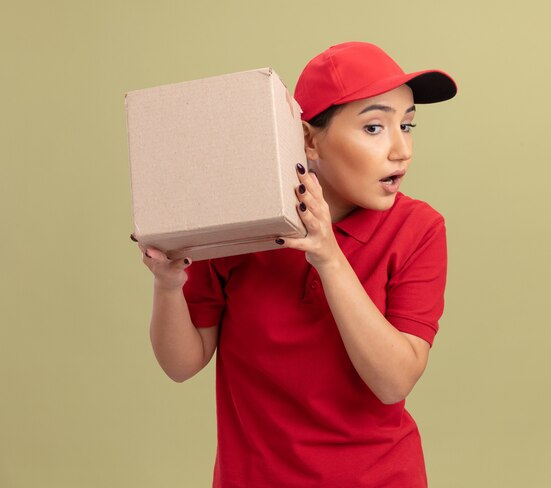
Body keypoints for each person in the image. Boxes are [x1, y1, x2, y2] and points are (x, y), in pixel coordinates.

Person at [134, 41, 456, 488]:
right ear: (308, 139)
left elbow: (394, 381)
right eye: (375, 128)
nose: (402, 149)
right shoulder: (241, 222)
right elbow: (181, 364)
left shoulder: (419, 229)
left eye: (408, 125)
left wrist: (327, 255)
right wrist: (168, 284)